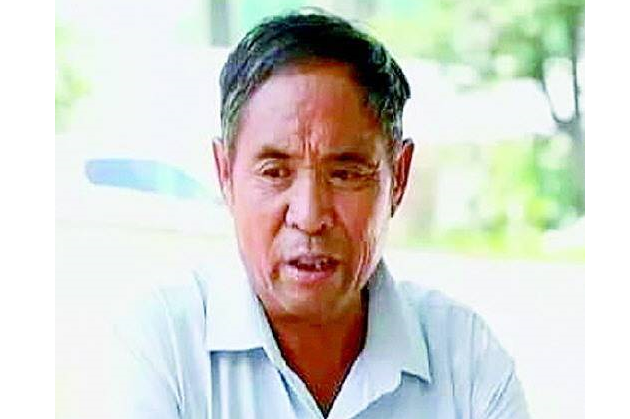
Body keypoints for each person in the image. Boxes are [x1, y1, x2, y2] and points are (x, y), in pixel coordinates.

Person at [110, 11, 530, 419]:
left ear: (398, 178)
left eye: (345, 174)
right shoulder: (169, 345)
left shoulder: (464, 358)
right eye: (275, 172)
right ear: (225, 174)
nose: (309, 217)